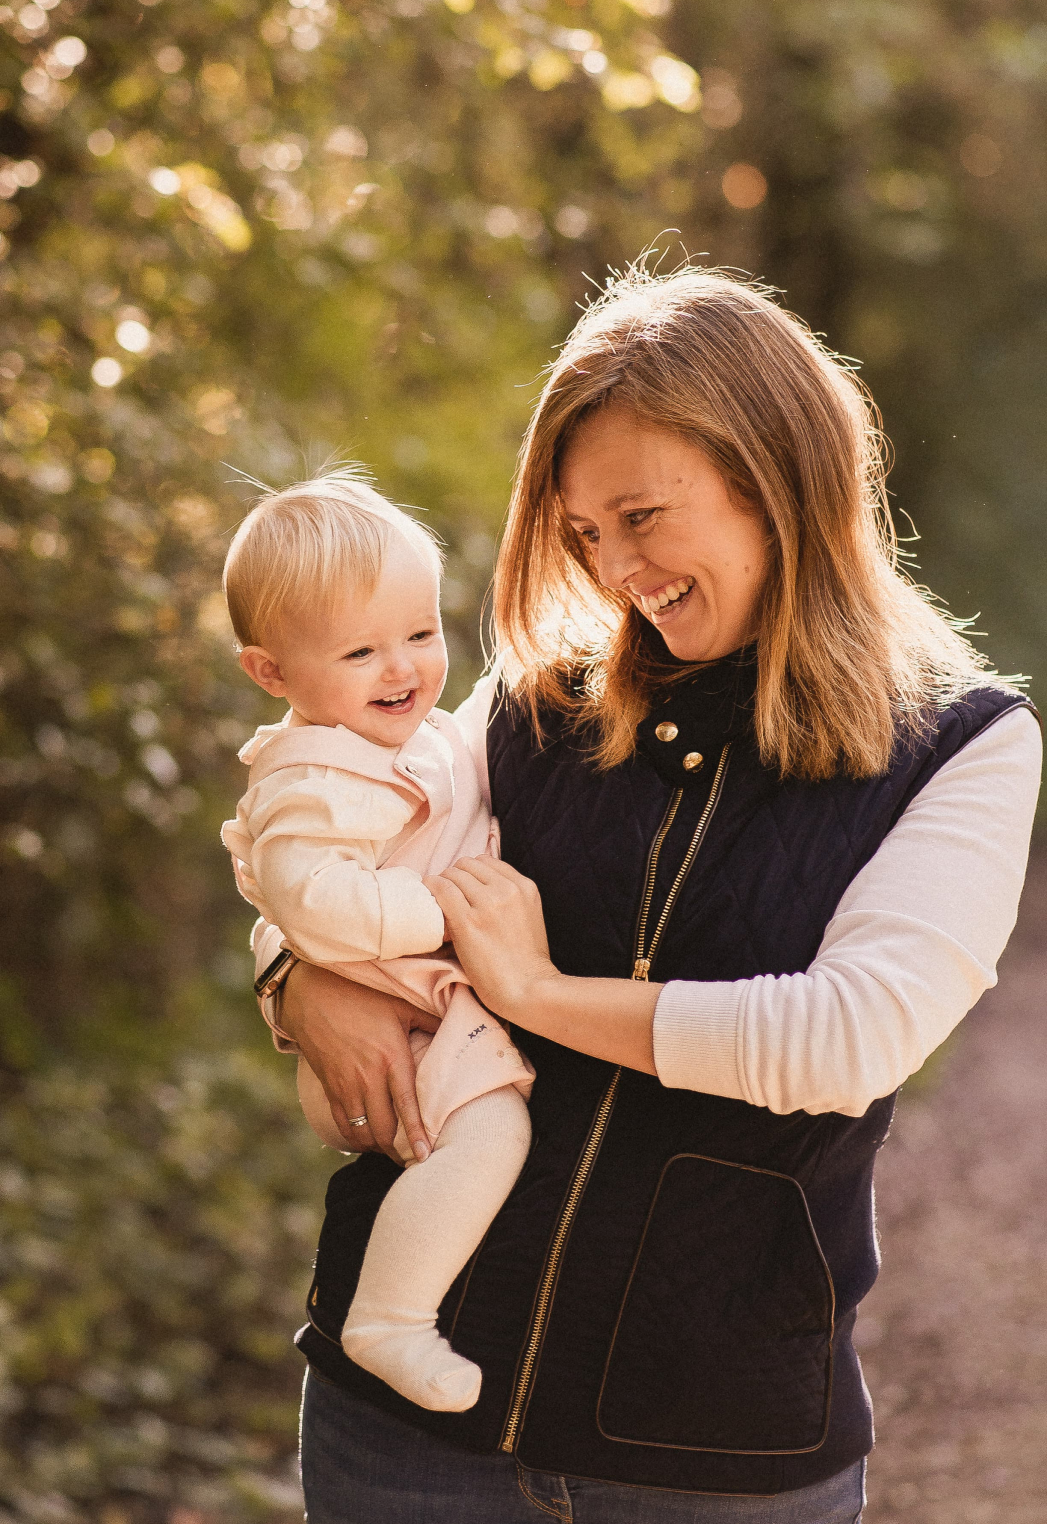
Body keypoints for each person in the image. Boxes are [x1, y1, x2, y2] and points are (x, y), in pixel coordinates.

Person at [256, 268, 1041, 1523]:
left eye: (640, 515)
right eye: (582, 532)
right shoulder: (535, 697)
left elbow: (843, 1039)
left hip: (713, 1453)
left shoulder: (962, 744)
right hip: (406, 1436)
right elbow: (337, 833)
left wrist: (534, 991)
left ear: (774, 473)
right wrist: (294, 978)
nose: (614, 567)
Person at [220, 473, 533, 1414]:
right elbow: (312, 903)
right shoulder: (310, 780)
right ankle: (391, 1317)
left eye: (420, 634)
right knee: (491, 1133)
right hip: (394, 1029)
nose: (401, 669)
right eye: (360, 651)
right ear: (271, 673)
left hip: (418, 1004)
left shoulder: (413, 737)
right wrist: (446, 912)